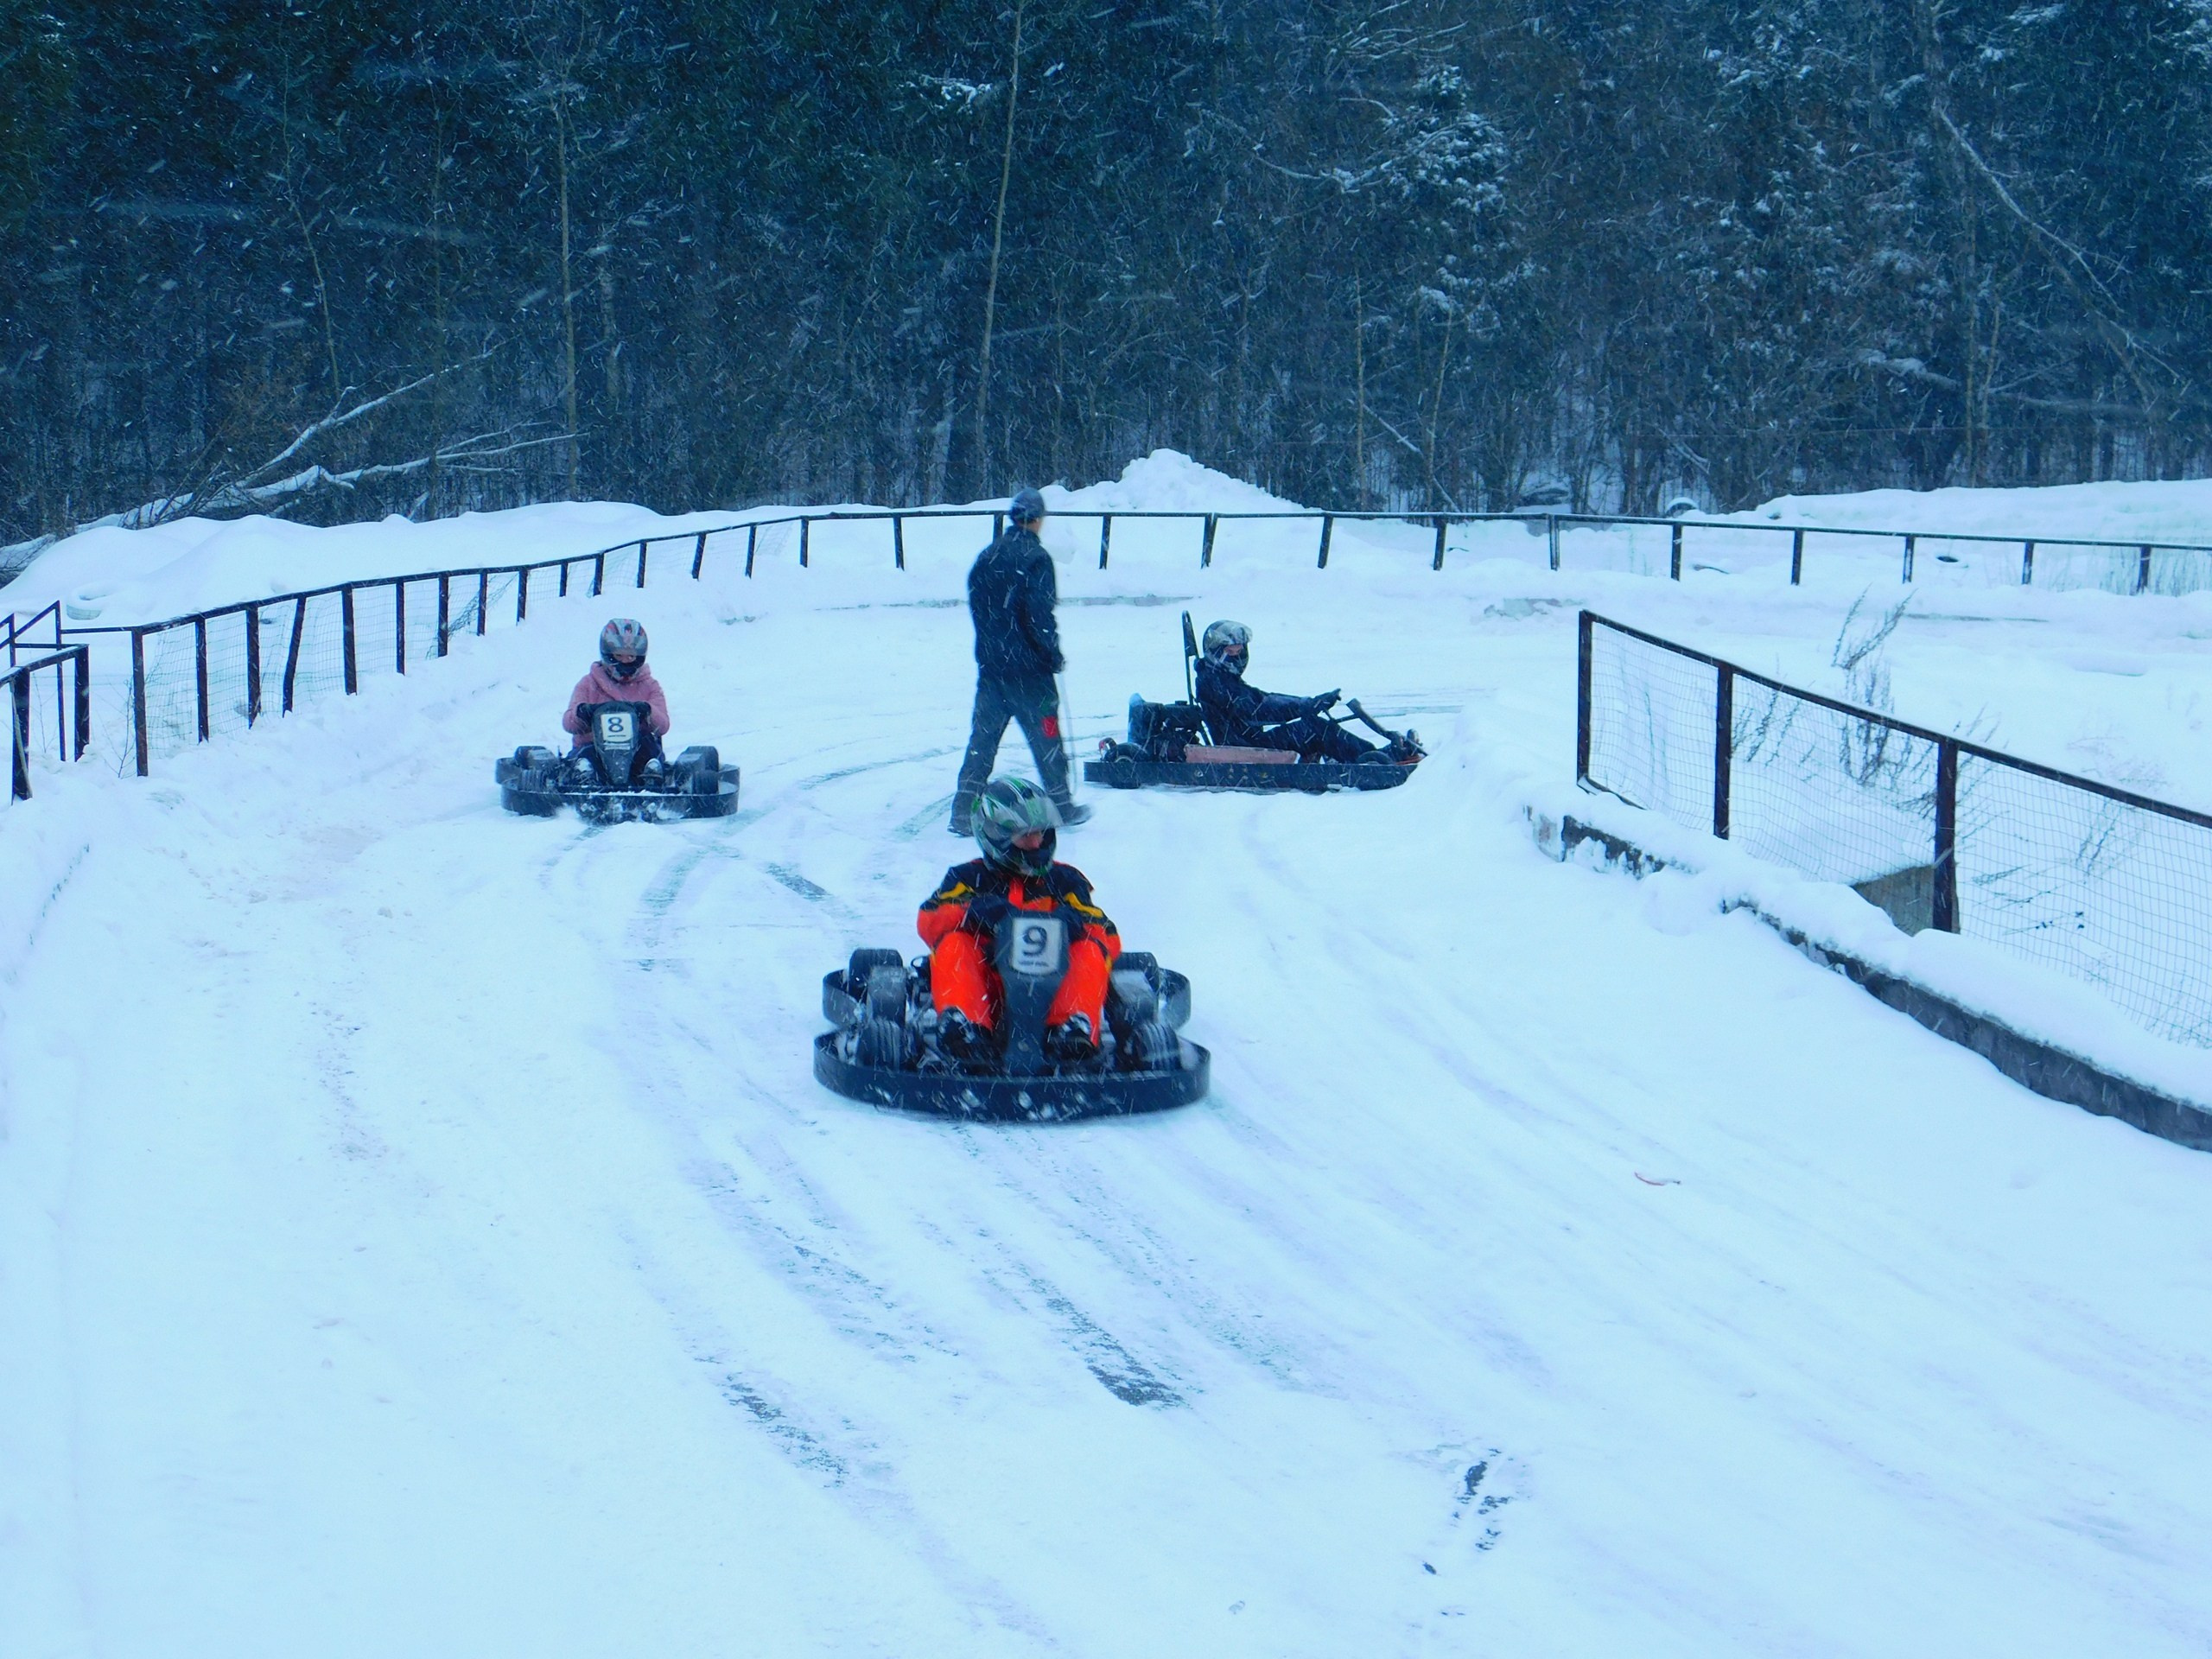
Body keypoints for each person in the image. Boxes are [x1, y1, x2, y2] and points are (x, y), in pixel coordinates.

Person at [918, 776, 1119, 1065]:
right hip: (988, 987)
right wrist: (971, 911)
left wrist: (1074, 924)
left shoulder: (1065, 881)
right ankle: (966, 1029)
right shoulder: (966, 879)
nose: (1037, 842)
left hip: (1051, 990)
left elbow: (1108, 936)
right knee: (953, 943)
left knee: (1090, 949)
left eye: (1041, 833)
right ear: (995, 837)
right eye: (1026, 836)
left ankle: (1071, 1031)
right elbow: (929, 922)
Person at [950, 487, 1090, 833]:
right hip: (1030, 674)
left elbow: (978, 609)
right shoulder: (1036, 559)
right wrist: (1051, 654)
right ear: (1039, 521)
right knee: (1047, 740)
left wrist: (992, 648)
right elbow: (1040, 616)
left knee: (982, 741)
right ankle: (1061, 805)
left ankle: (964, 811)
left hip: (993, 671)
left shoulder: (987, 556)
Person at [1192, 619, 1395, 763]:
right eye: (1231, 652)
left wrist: (1308, 703)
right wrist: (1305, 706)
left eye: (1239, 651)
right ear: (1216, 651)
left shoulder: (1222, 678)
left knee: (1313, 725)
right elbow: (1257, 709)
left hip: (1247, 739)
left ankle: (1366, 756)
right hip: (1241, 745)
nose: (1237, 656)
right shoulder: (1213, 682)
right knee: (1312, 729)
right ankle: (1368, 761)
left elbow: (1263, 698)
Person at [561, 618, 671, 783]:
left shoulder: (650, 686)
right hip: (595, 751)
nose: (625, 661)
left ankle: (651, 778)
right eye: (619, 655)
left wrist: (647, 711)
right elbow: (568, 723)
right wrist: (583, 713)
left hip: (637, 754)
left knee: (648, 748)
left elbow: (663, 726)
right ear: (608, 654)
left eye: (631, 656)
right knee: (587, 754)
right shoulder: (589, 684)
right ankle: (586, 780)